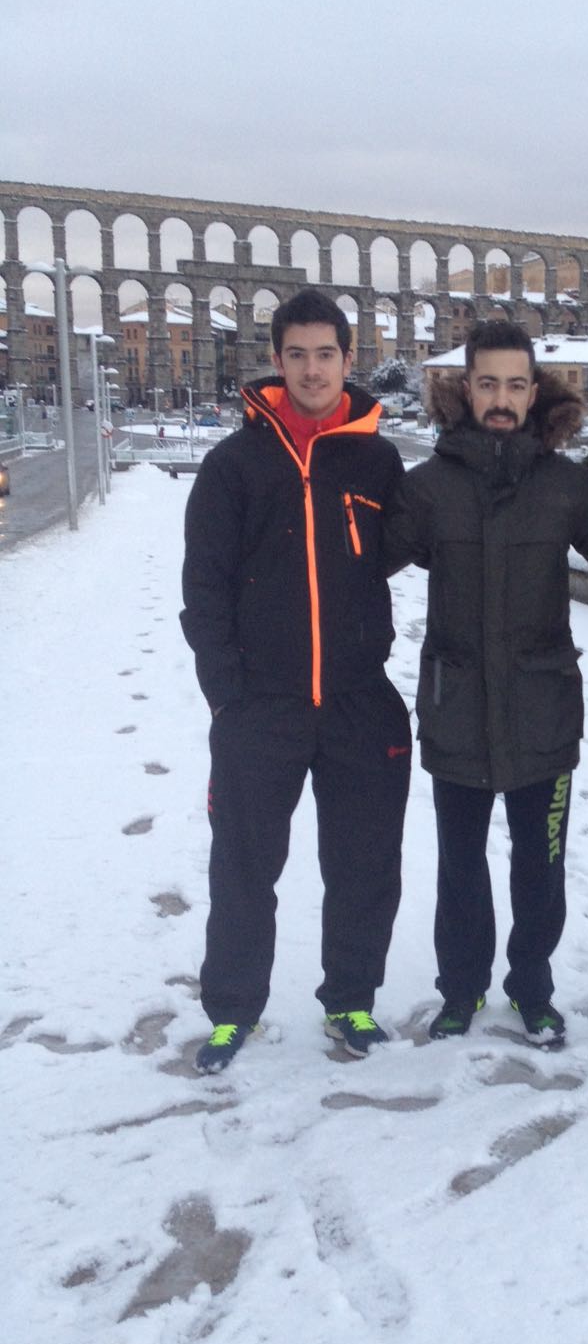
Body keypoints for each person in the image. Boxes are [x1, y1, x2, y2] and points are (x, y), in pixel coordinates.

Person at [181, 288, 411, 1072]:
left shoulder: (377, 460)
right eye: (298, 355)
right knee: (244, 867)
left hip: (357, 701)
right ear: (277, 362)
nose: (313, 370)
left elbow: (417, 546)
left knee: (364, 866)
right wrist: (226, 692)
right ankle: (232, 1009)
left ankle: (350, 999)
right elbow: (204, 585)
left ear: (349, 360)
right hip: (262, 706)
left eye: (326, 354)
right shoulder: (234, 464)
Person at [385, 320, 588, 1048]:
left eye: (516, 384)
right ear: (466, 388)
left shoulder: (569, 486)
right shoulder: (428, 488)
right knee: (460, 866)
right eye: (489, 384)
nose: (502, 399)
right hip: (456, 708)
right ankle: (461, 989)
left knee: (540, 867)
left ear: (535, 391)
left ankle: (532, 988)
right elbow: (360, 563)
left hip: (543, 711)